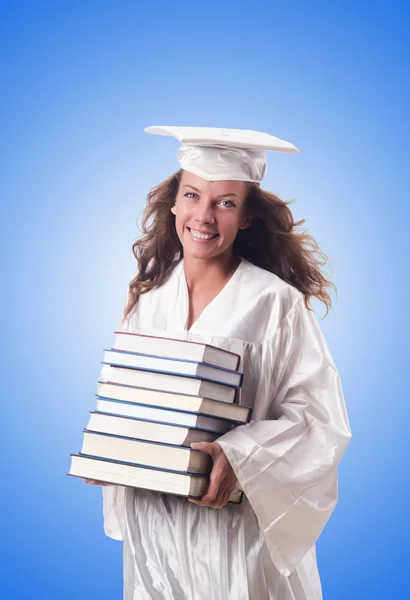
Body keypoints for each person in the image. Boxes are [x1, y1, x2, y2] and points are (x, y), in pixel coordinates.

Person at [84, 126, 352, 599]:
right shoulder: (147, 303)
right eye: (192, 195)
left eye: (226, 202)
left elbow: (319, 421)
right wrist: (112, 449)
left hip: (237, 539)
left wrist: (241, 454)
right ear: (173, 204)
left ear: (247, 217)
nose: (203, 216)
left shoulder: (275, 305)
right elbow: (122, 399)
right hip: (157, 532)